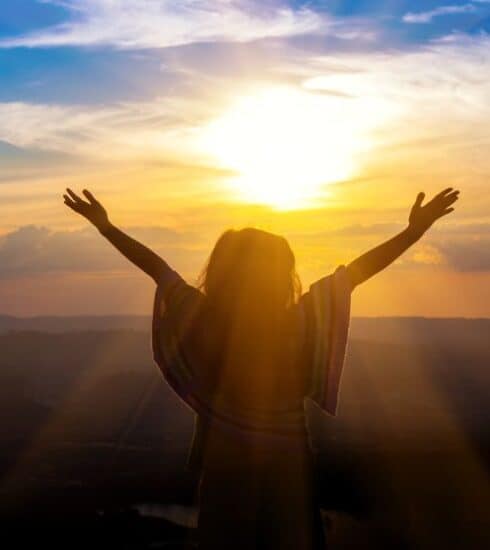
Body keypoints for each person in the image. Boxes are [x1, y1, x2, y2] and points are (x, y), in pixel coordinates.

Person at [63, 187, 459, 549]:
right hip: (289, 470)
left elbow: (157, 268)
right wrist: (412, 233)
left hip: (225, 471)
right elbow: (355, 274)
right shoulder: (299, 322)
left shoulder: (204, 321)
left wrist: (106, 227)